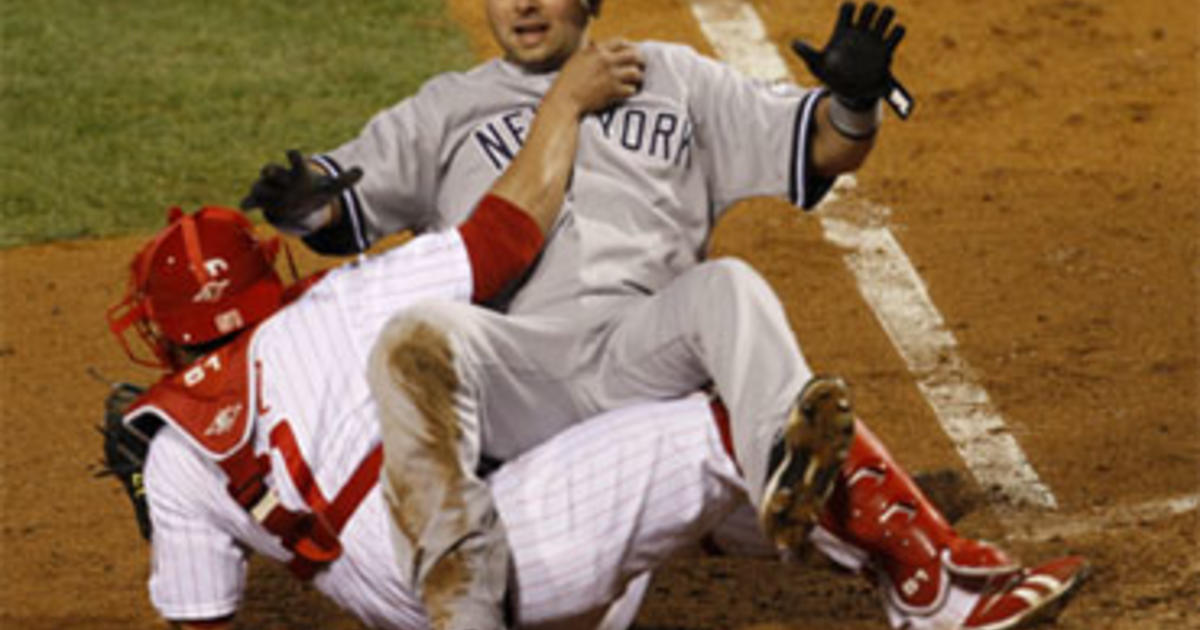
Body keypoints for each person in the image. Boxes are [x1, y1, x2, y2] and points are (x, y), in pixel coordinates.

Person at [238, 3, 1088, 628]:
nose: (524, 5)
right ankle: (465, 582)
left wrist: (855, 101)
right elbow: (331, 205)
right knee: (423, 334)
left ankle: (790, 491)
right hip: (517, 374)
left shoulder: (677, 78)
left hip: (640, 356)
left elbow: (821, 143)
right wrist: (301, 204)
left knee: (732, 290)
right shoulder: (445, 108)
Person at [101, 203, 1090, 630]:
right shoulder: (333, 308)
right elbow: (500, 237)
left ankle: (885, 551)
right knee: (723, 417)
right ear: (261, 284)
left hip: (422, 601)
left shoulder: (173, 451)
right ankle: (934, 593)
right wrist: (569, 99)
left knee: (677, 463)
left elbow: (201, 616)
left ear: (162, 329)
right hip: (517, 568)